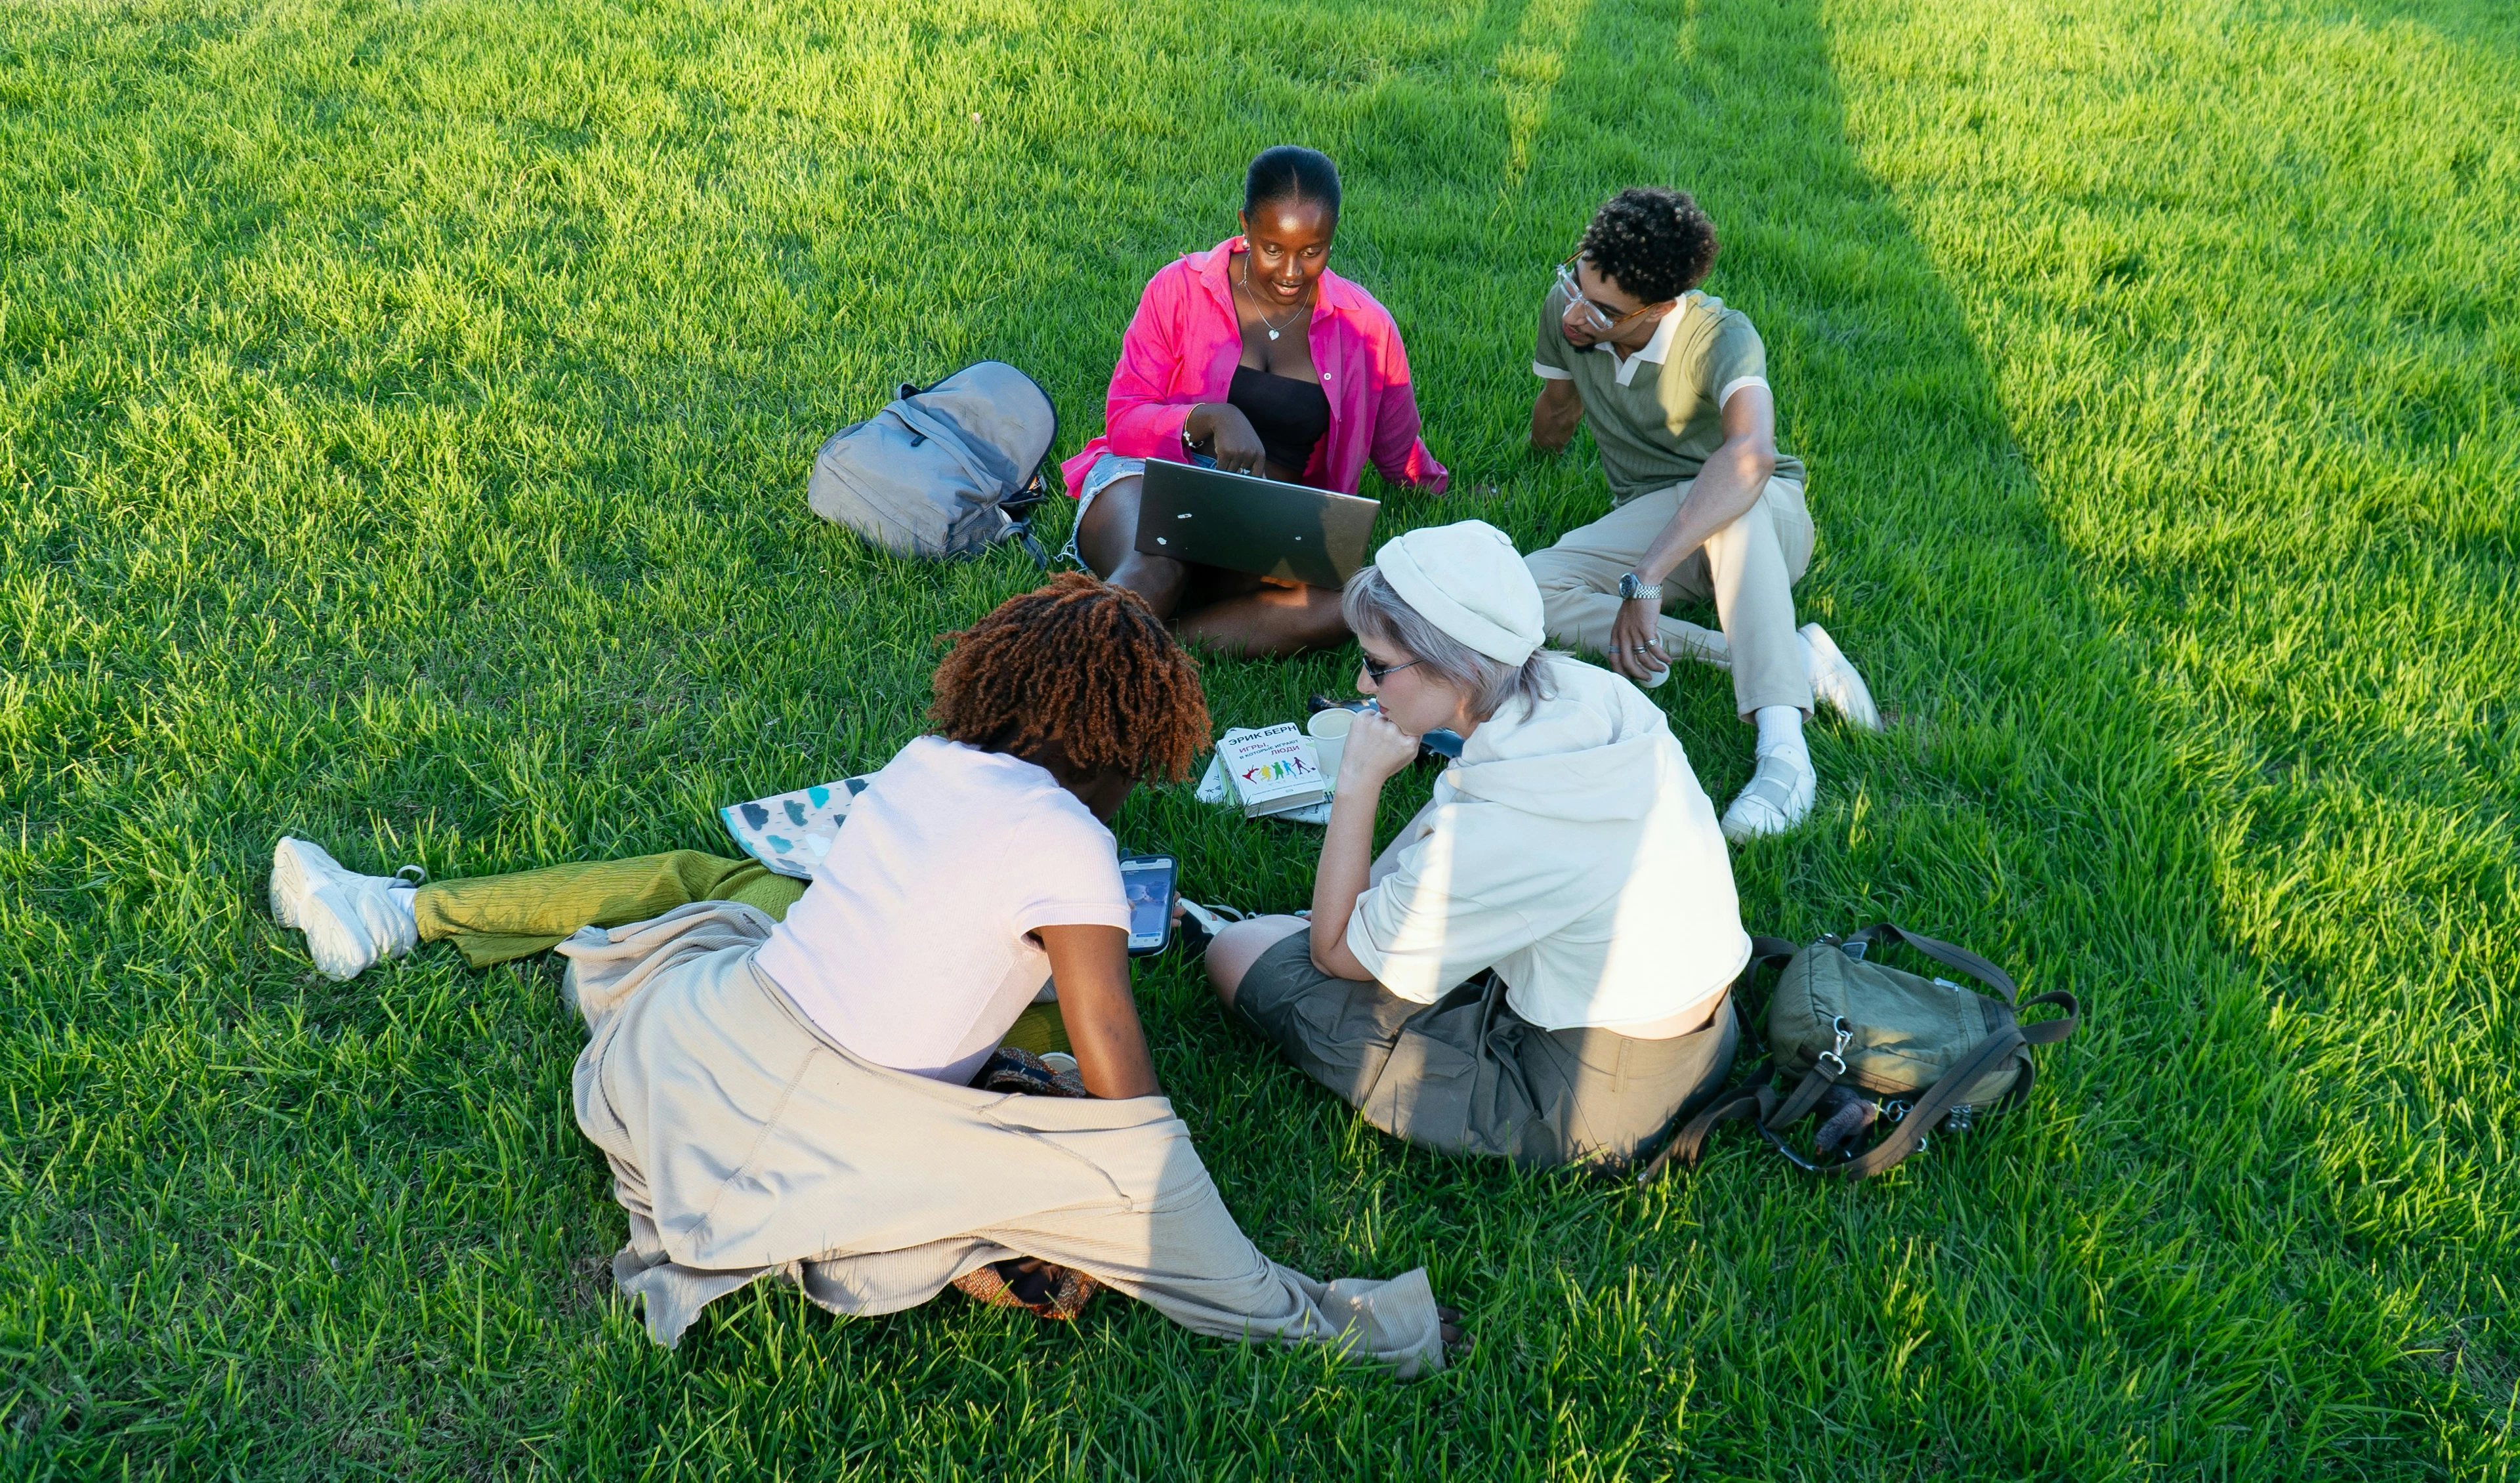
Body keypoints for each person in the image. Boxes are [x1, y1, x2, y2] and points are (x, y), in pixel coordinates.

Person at [268, 574, 1460, 1371]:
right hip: (810, 1129)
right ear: (1117, 749)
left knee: (725, 916)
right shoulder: (1073, 847)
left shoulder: (928, 758)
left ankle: (406, 914)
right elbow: (1120, 1073)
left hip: (694, 1047)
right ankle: (1340, 1327)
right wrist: (1157, 1186)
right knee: (1115, 1166)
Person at [1203, 522, 1751, 1171]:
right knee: (1318, 932)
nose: (1362, 686)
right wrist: (1352, 919)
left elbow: (1331, 954)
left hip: (1593, 1096)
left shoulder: (1500, 828)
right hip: (1703, 1033)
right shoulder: (1583, 692)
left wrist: (1358, 784)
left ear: (1458, 668)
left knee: (1238, 950)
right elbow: (1458, 807)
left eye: (1377, 665)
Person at [1522, 187, 1883, 842]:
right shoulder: (1569, 310)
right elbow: (1559, 406)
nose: (1576, 313)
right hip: (1655, 516)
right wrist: (1527, 466)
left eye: (1604, 311)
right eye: (1574, 282)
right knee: (1527, 591)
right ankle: (1776, 654)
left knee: (1730, 498)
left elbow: (1752, 455)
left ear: (1661, 306)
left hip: (1764, 521)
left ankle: (1785, 752)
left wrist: (1645, 579)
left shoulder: (1720, 335)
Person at [1062, 145, 1448, 656]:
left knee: (1348, 602)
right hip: (1149, 479)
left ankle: (1162, 643)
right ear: (1245, 224)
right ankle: (1069, 667)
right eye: (1272, 249)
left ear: (1332, 234)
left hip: (1260, 518)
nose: (1291, 271)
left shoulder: (1365, 327)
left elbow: (1398, 448)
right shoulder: (1180, 289)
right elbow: (1124, 420)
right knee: (1157, 565)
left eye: (1312, 251)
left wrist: (1439, 487)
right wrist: (1207, 418)